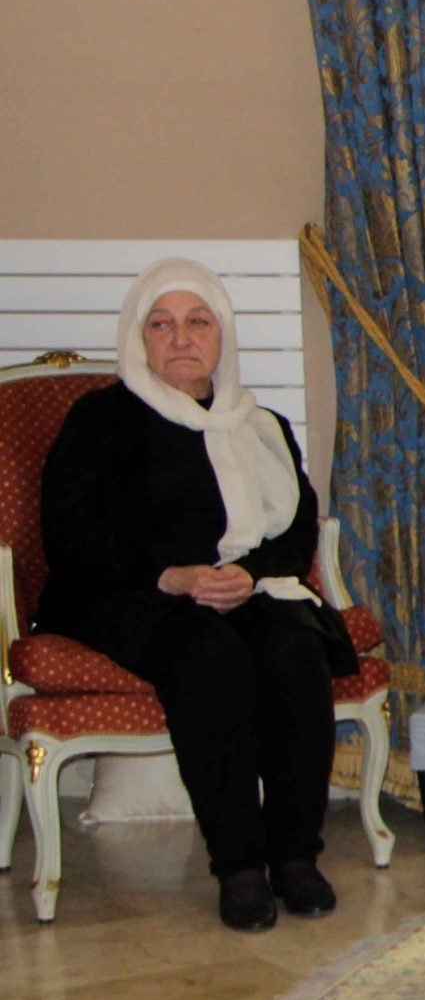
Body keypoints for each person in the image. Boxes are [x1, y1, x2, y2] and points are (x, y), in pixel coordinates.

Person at [37, 260, 359, 932]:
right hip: (128, 592)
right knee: (207, 655)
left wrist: (251, 571)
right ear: (139, 338)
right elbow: (70, 534)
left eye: (198, 322)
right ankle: (239, 867)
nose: (181, 338)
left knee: (295, 648)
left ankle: (295, 856)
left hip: (246, 588)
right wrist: (172, 576)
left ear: (222, 335)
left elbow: (298, 526)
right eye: (161, 324)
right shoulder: (100, 419)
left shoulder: (260, 424)